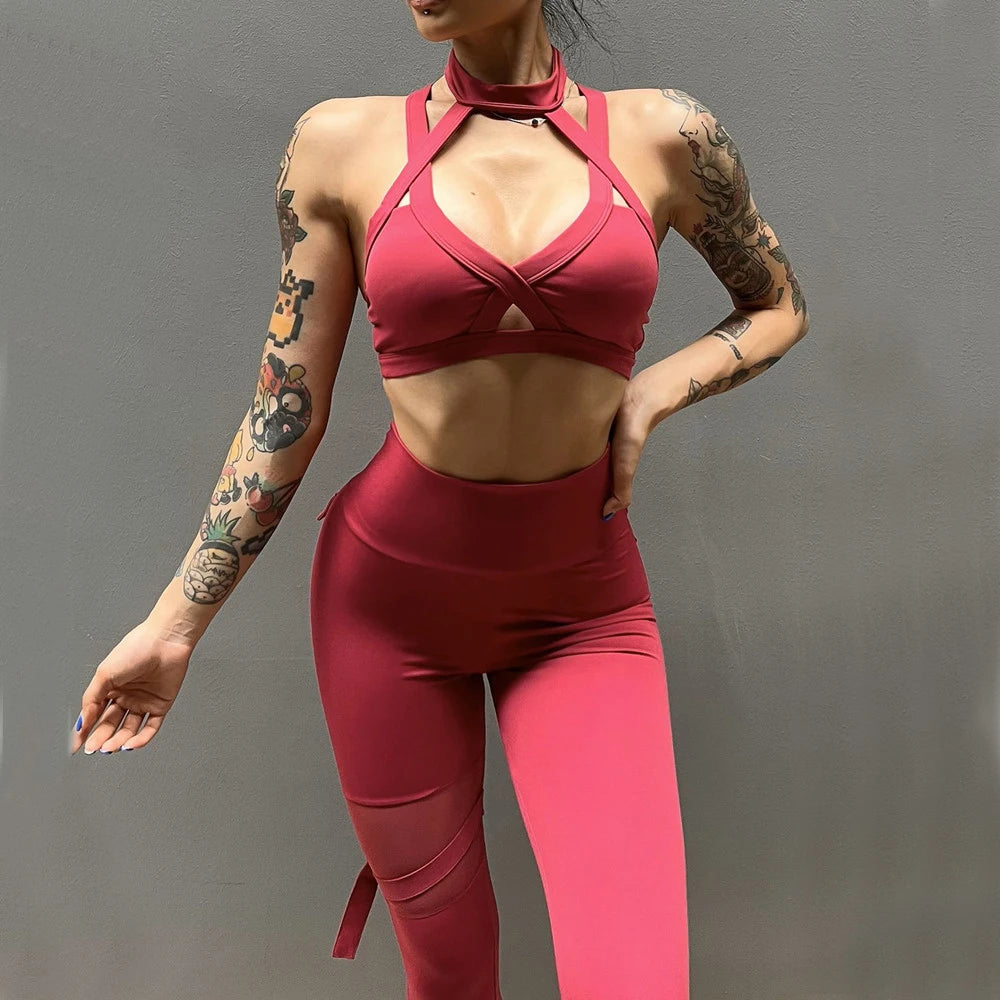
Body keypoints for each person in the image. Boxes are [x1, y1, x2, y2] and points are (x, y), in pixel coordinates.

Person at [70, 1, 810, 997]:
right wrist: (173, 627)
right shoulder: (337, 146)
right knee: (450, 974)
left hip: (582, 609)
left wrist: (652, 393)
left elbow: (776, 306)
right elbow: (283, 414)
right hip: (389, 610)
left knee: (634, 976)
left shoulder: (668, 134)